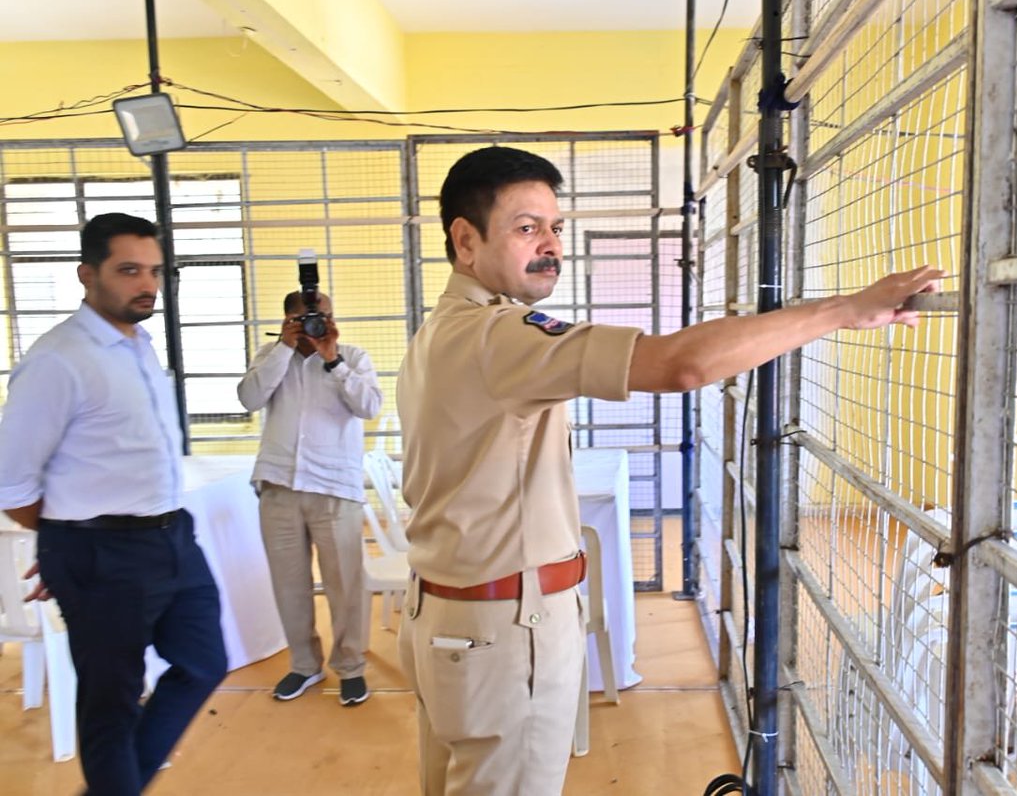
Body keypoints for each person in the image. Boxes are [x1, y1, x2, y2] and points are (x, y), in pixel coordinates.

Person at [395, 146, 944, 795]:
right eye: (525, 227)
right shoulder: (496, 335)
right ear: (465, 240)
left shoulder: (440, 331)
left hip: (448, 620)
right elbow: (679, 365)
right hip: (506, 633)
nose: (550, 243)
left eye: (555, 225)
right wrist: (844, 310)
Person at [0, 212, 228, 795]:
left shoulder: (139, 345)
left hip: (173, 537)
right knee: (113, 706)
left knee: (204, 663)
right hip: (100, 553)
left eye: (153, 271)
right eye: (128, 270)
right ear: (86, 274)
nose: (145, 283)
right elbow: (10, 479)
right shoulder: (59, 359)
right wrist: (66, 546)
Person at [237, 289, 383, 706]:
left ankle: (351, 667)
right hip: (278, 486)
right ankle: (304, 665)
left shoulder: (352, 357)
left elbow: (369, 406)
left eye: (324, 316)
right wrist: (284, 347)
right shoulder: (270, 355)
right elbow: (249, 398)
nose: (315, 325)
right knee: (289, 585)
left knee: (346, 585)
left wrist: (331, 359)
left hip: (335, 488)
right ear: (286, 320)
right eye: (304, 320)